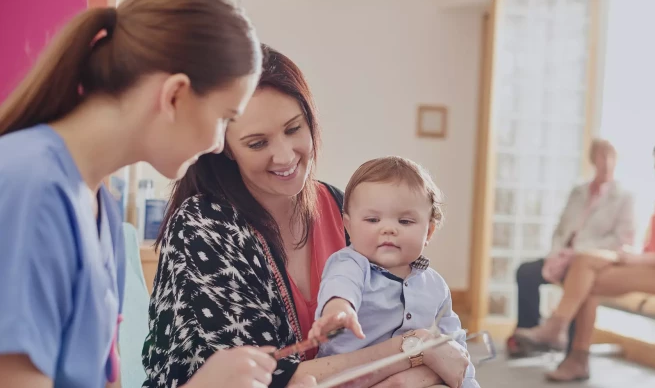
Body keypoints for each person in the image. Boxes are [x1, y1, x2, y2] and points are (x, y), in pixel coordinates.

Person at [0, 0, 301, 388]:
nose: (217, 143)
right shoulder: (30, 186)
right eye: (223, 118)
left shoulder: (100, 208)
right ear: (174, 95)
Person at [142, 47, 469, 388]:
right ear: (223, 144)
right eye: (257, 143)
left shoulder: (343, 208)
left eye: (294, 129)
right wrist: (412, 349)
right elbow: (268, 379)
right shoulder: (205, 228)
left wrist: (415, 366)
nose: (284, 156)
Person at [514, 140, 655, 382]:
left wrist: (642, 259)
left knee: (589, 283)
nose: (654, 164)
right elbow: (653, 243)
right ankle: (573, 354)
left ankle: (562, 337)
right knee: (586, 264)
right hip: (650, 267)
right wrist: (635, 257)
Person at [309, 156, 476, 388]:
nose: (388, 229)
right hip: (351, 379)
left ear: (428, 232)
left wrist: (465, 382)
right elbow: (341, 285)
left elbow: (454, 347)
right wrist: (339, 310)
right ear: (348, 226)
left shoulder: (435, 286)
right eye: (373, 219)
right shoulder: (350, 263)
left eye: (405, 221)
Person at [506, 139, 635, 358]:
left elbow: (623, 240)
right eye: (601, 156)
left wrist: (580, 253)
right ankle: (528, 334)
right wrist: (556, 253)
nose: (605, 162)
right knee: (526, 272)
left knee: (580, 282)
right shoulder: (579, 191)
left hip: (590, 261)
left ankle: (570, 350)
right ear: (593, 159)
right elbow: (561, 229)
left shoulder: (624, 197)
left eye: (610, 156)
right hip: (561, 256)